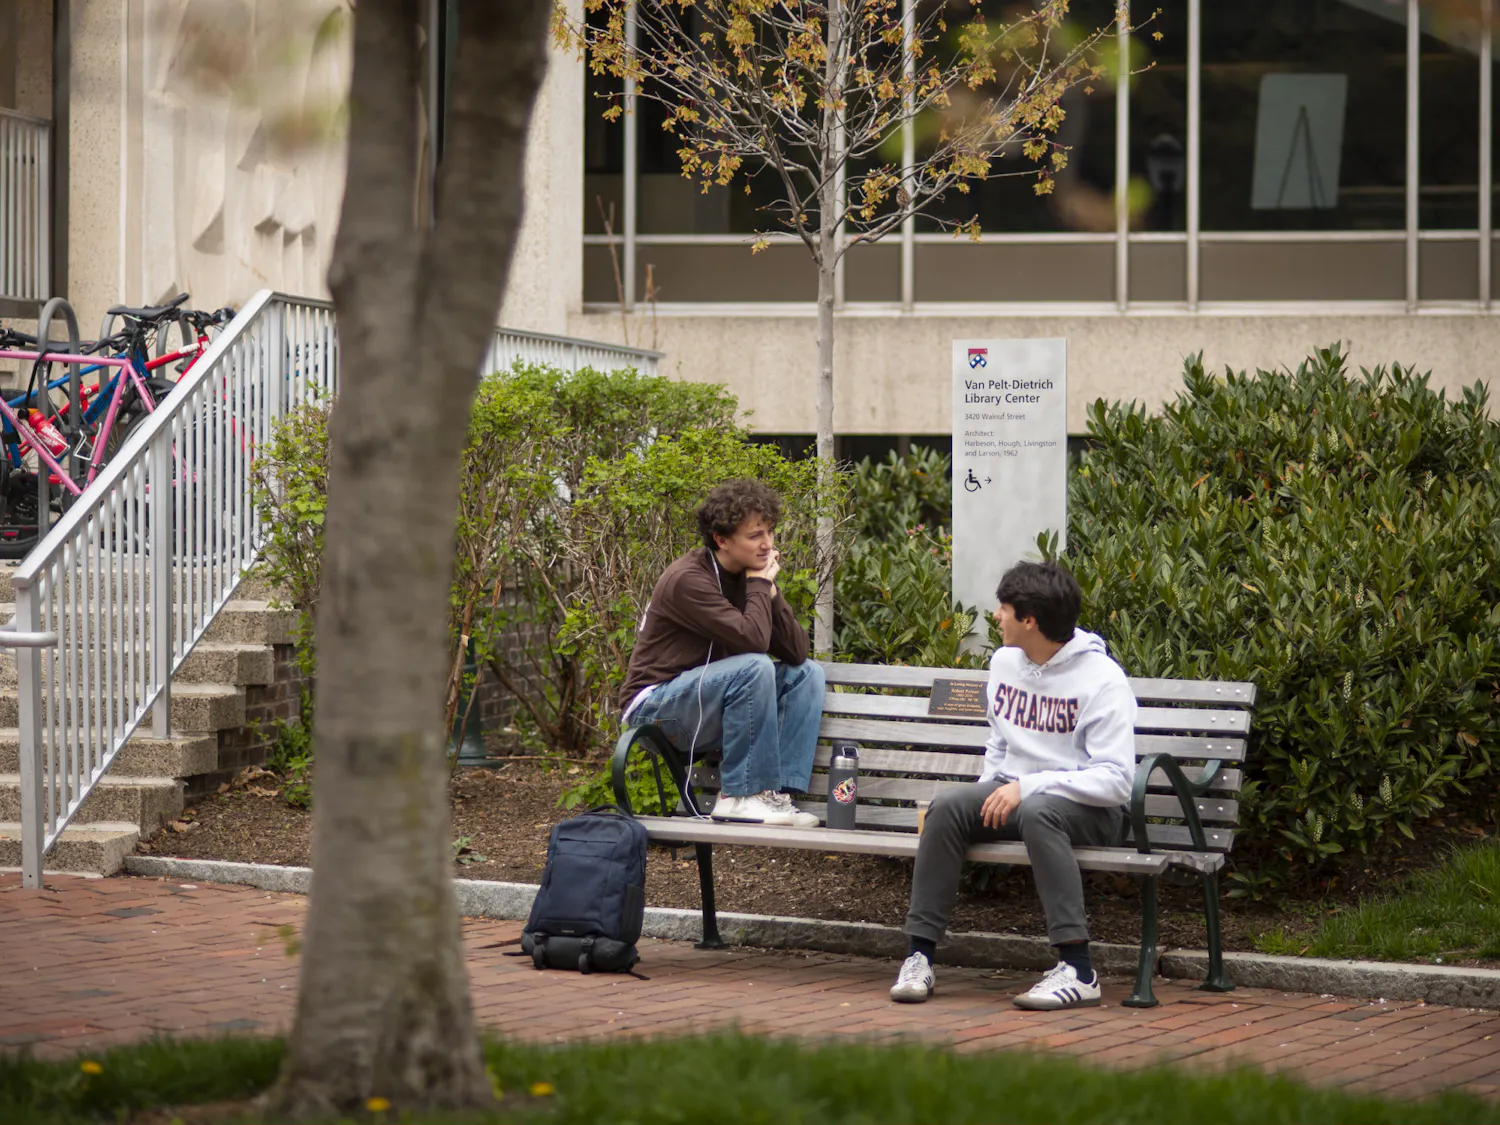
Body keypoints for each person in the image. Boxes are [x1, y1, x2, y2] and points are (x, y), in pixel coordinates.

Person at [890, 561, 1135, 1010]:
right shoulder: (1004, 662)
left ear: (1030, 620)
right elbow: (1000, 742)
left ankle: (1079, 971)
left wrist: (1030, 785)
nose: (996, 616)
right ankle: (919, 956)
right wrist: (987, 793)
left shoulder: (1102, 680)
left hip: (1090, 810)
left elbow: (1116, 781)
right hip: (1019, 796)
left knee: (1040, 811)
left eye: (1003, 609)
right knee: (948, 808)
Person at [619, 478, 823, 827]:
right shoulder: (688, 579)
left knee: (806, 674)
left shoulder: (749, 576)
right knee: (755, 666)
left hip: (709, 701)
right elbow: (753, 641)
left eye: (770, 532)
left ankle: (774, 797)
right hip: (656, 711)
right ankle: (738, 797)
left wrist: (770, 592)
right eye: (755, 535)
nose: (767, 544)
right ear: (721, 540)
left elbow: (796, 652)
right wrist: (760, 583)